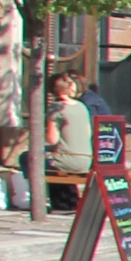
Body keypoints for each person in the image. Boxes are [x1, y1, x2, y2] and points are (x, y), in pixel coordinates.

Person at [42, 72, 95, 211]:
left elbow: (52, 139)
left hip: (66, 161)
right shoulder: (82, 106)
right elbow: (88, 133)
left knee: (28, 158)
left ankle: (43, 200)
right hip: (86, 160)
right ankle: (70, 200)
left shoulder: (56, 108)